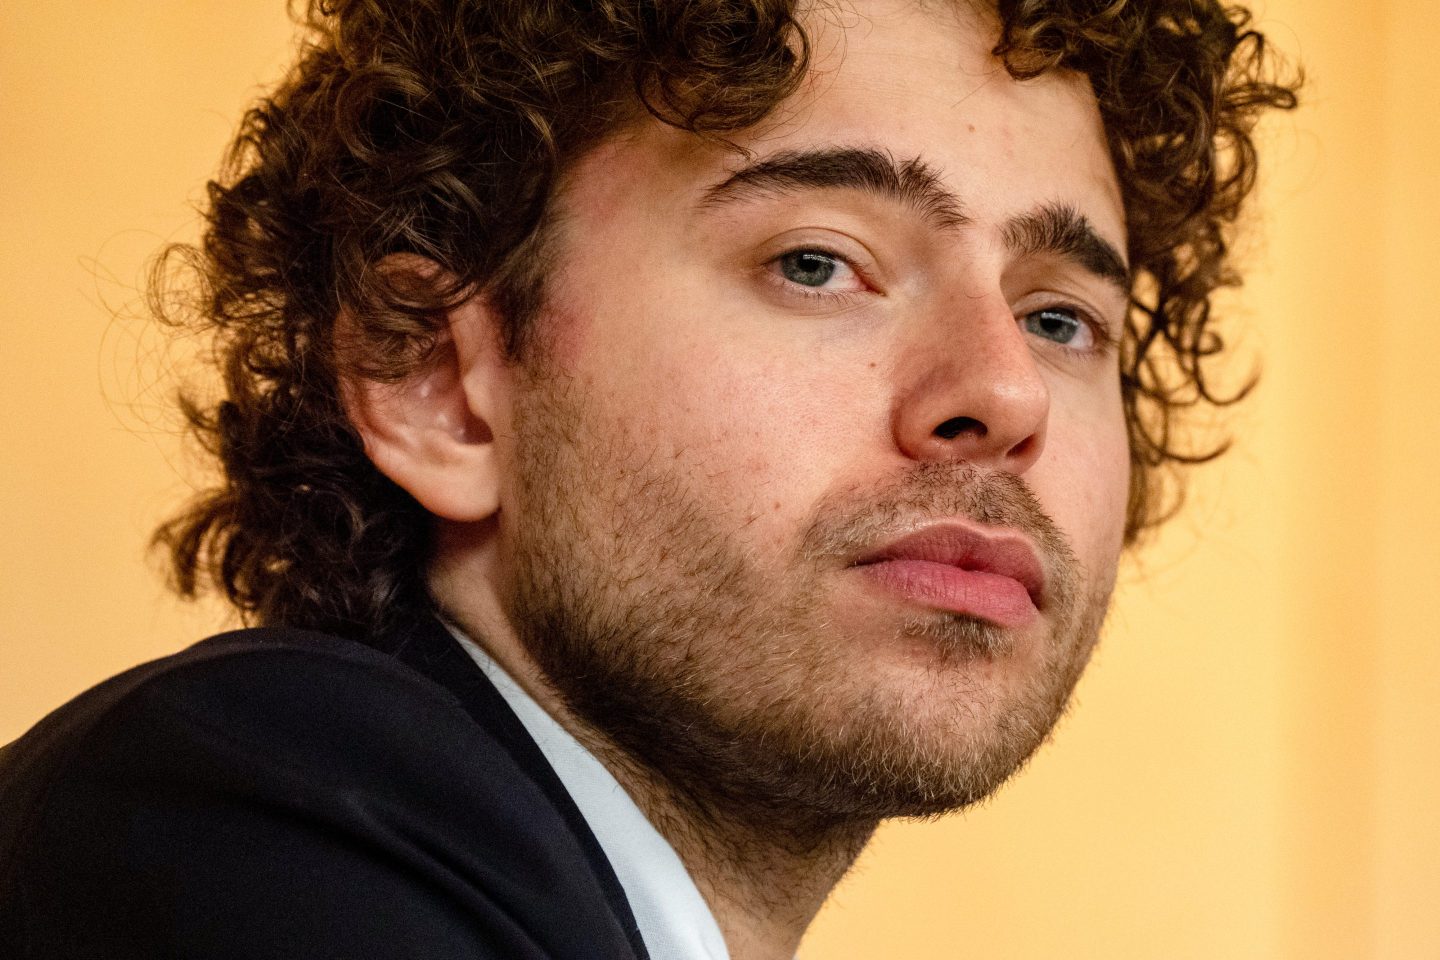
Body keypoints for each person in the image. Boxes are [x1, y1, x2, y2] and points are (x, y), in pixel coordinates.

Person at [0, 0, 1297, 956]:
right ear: (437, 383)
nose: (1005, 392)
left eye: (1062, 319)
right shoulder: (239, 820)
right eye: (815, 262)